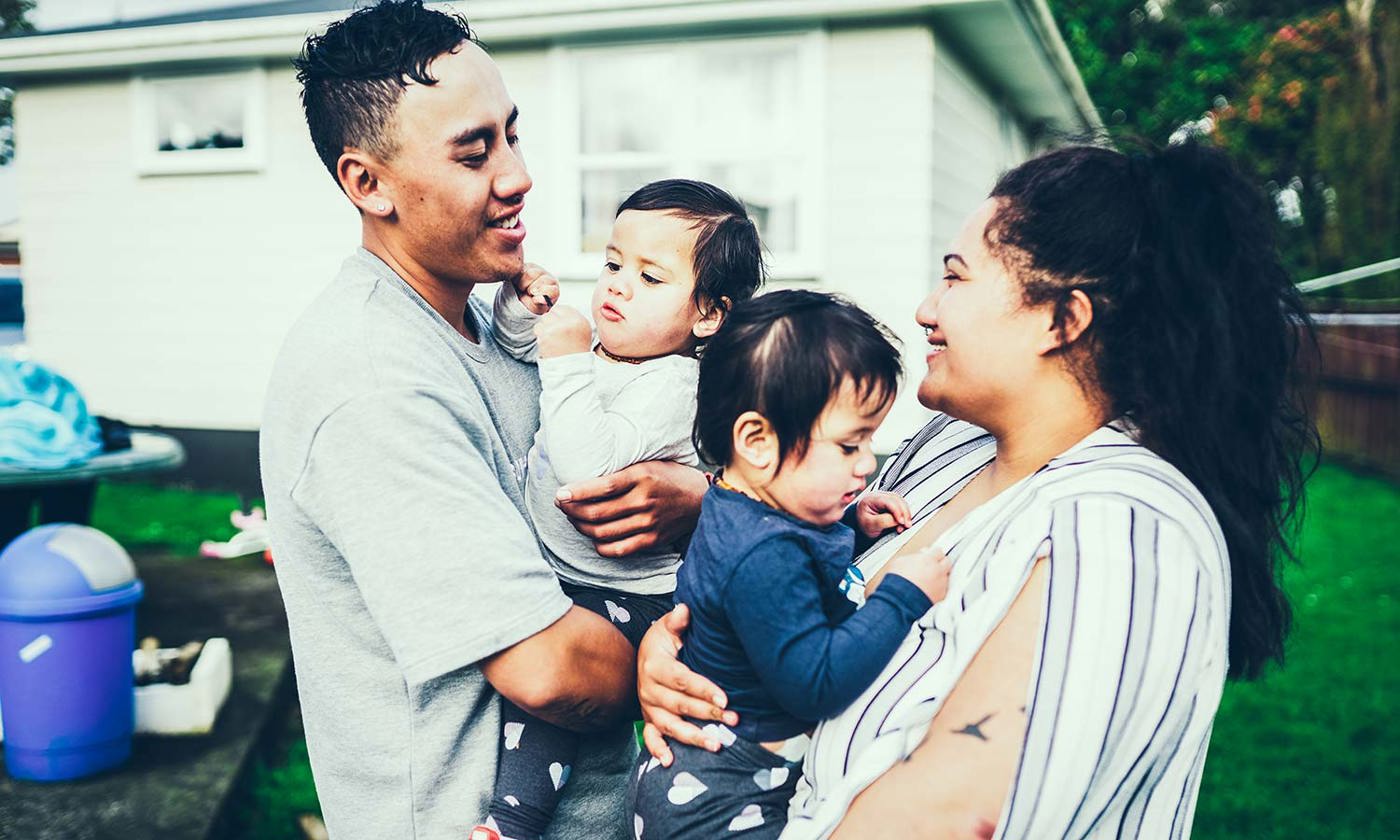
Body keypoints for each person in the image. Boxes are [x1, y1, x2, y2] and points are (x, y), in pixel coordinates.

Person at [634, 141, 1317, 839]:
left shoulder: (1126, 534)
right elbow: (797, 567)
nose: (927, 309)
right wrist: (679, 660)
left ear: (1063, 319)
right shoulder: (953, 445)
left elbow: (958, 816)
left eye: (955, 279)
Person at [259, 3, 705, 838]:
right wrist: (692, 649)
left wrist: (698, 497)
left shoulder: (500, 325)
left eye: (511, 134)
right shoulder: (370, 380)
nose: (518, 175)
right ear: (368, 184)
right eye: (475, 152)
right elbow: (551, 669)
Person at [478, 179, 764, 840]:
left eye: (650, 277)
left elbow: (588, 464)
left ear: (709, 315)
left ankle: (512, 823)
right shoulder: (607, 354)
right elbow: (526, 353)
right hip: (574, 573)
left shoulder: (672, 384)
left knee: (548, 705)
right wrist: (525, 315)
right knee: (539, 700)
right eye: (612, 264)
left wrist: (565, 353)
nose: (618, 287)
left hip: (630, 597)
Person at [626, 290, 951, 839]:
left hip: (712, 780)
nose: (868, 463)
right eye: (850, 445)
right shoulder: (764, 556)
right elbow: (814, 685)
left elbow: (798, 568)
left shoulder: (748, 508)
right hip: (720, 802)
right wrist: (900, 594)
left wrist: (850, 526)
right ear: (756, 440)